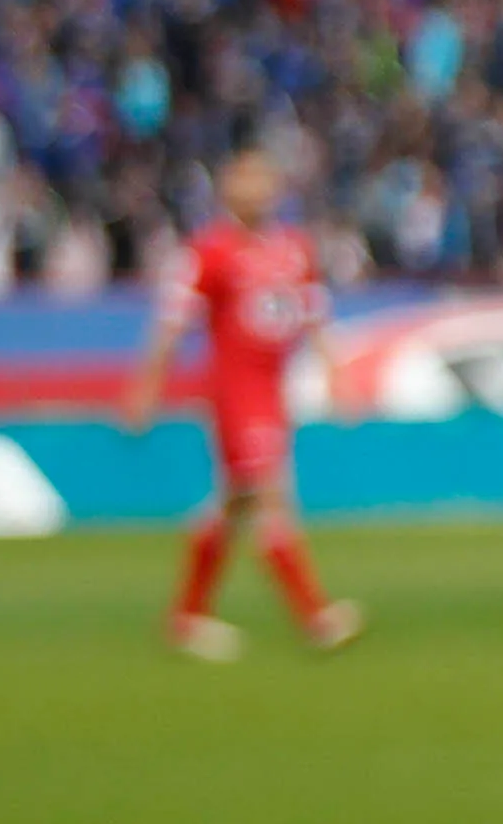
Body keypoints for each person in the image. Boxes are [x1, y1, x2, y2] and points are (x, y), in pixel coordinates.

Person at [120, 146, 364, 659]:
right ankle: (315, 617)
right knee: (272, 496)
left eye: (263, 179)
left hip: (273, 390)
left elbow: (315, 317)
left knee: (235, 504)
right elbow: (171, 326)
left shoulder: (295, 248)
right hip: (236, 392)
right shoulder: (209, 251)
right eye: (245, 180)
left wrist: (335, 373)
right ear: (227, 190)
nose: (256, 189)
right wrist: (146, 388)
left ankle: (187, 617)